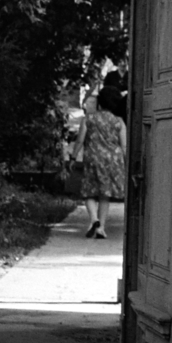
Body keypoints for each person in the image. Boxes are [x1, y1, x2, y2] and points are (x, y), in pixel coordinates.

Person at [75, 78, 127, 238]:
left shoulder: (89, 119)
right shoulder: (119, 121)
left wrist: (73, 155)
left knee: (89, 193)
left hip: (93, 159)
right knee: (105, 194)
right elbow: (124, 145)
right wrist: (126, 163)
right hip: (113, 161)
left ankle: (94, 219)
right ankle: (101, 228)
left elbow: (80, 140)